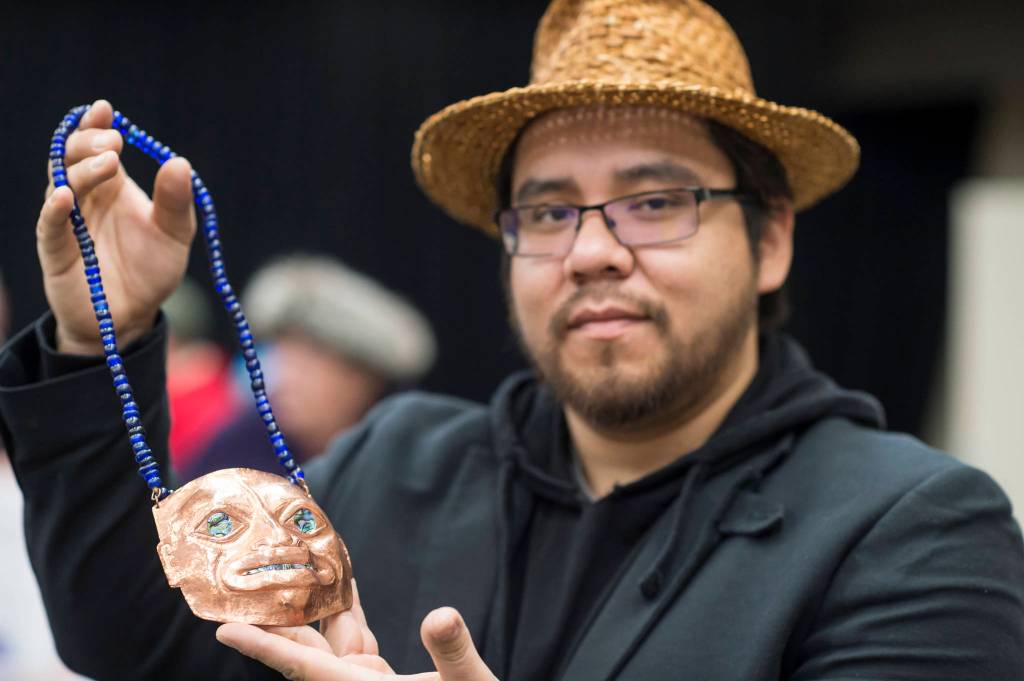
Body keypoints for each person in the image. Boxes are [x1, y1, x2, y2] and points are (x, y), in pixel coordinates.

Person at [0, 1, 1021, 680]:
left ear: (769, 241)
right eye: (546, 211)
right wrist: (105, 332)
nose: (590, 252)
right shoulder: (399, 464)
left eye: (655, 200)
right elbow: (130, 641)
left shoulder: (910, 532)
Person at [180, 253, 436, 480]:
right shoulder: (239, 452)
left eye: (311, 360)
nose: (285, 377)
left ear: (364, 377)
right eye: (282, 354)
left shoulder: (417, 463)